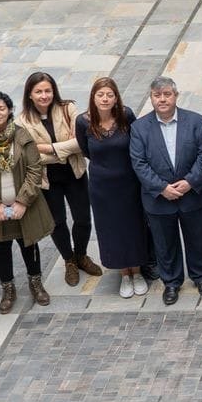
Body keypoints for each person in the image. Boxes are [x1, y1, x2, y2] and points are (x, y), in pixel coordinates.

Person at [0, 91, 56, 313]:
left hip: (24, 204)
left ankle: (36, 283)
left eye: (1, 108)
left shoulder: (22, 136)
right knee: (1, 246)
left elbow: (35, 169)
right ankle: (8, 288)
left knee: (29, 244)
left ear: (9, 111)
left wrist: (23, 201)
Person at [129, 76, 202, 306]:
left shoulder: (195, 121)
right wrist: (161, 188)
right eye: (158, 95)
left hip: (193, 195)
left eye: (167, 94)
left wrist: (189, 182)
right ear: (151, 98)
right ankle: (172, 282)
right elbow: (139, 163)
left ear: (176, 96)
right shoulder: (139, 128)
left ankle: (201, 276)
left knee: (198, 238)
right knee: (165, 244)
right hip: (159, 199)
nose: (163, 99)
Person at [18, 71, 102, 288]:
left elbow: (80, 142)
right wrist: (63, 150)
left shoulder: (68, 109)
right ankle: (69, 260)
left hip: (75, 173)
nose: (44, 95)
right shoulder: (23, 121)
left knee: (83, 218)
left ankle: (81, 255)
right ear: (30, 95)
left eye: (47, 90)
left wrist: (50, 149)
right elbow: (31, 156)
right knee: (57, 222)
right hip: (48, 180)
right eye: (38, 92)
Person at [76, 77, 149, 298]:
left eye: (109, 94)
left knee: (133, 226)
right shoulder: (82, 122)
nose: (105, 99)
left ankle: (137, 271)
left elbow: (137, 144)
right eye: (101, 95)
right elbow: (86, 150)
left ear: (116, 97)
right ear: (93, 97)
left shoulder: (126, 115)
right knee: (111, 230)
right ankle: (124, 274)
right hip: (102, 188)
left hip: (128, 183)